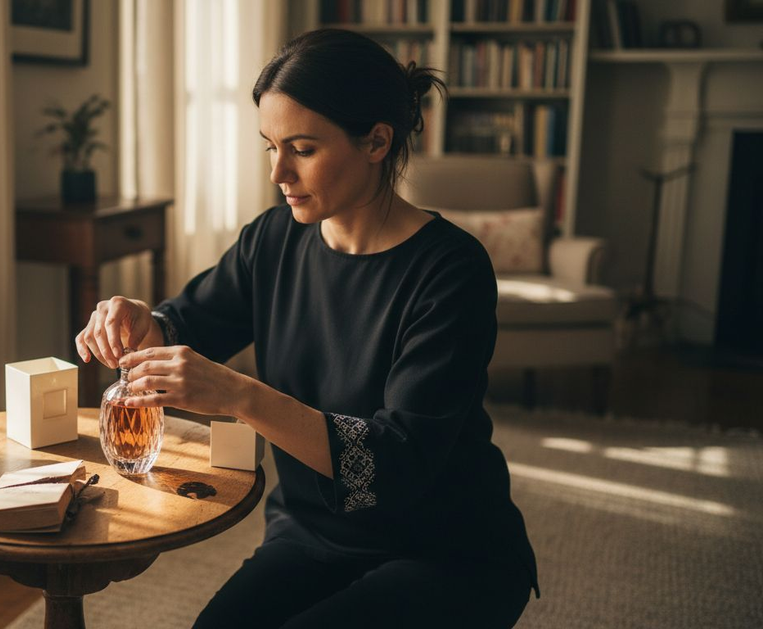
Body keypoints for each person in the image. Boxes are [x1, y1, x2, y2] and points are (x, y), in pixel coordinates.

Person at [74, 28, 539, 628]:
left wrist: (239, 394)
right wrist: (142, 321)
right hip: (312, 533)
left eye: (302, 148)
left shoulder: (451, 270)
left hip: (447, 548)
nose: (279, 173)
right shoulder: (272, 240)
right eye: (270, 146)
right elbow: (186, 323)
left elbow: (393, 467)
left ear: (377, 141)